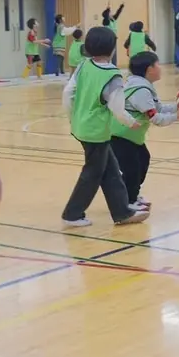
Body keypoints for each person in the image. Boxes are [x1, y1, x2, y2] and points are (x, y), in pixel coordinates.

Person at [61, 26, 149, 228]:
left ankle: (122, 212)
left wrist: (73, 117)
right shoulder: (112, 75)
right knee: (93, 173)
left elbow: (68, 94)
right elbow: (117, 107)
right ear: (112, 48)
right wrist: (131, 122)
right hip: (96, 131)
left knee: (111, 170)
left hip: (82, 127)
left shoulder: (83, 65)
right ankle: (72, 214)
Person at [109, 52, 179, 211]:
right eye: (157, 64)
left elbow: (158, 108)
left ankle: (131, 194)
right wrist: (178, 116)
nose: (160, 68)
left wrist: (178, 107)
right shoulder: (141, 90)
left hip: (132, 137)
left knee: (143, 160)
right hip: (121, 136)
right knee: (132, 169)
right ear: (149, 69)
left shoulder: (143, 86)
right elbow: (156, 118)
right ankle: (129, 201)